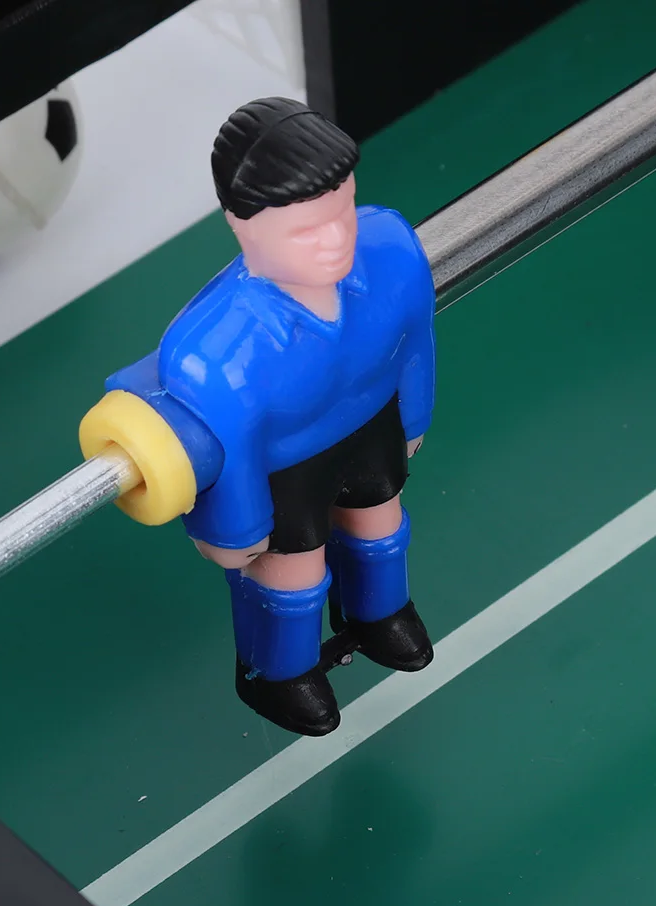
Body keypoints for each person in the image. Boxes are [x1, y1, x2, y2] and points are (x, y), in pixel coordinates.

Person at [109, 97, 437, 736]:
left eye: (343, 212)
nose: (337, 239)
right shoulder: (212, 352)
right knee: (294, 570)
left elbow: (415, 340)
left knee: (381, 522)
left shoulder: (393, 252)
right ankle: (282, 673)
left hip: (370, 425)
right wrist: (235, 531)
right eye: (307, 230)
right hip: (285, 465)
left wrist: (414, 419)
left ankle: (380, 612)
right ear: (241, 223)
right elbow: (232, 451)